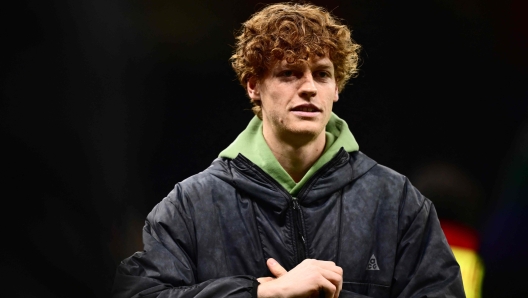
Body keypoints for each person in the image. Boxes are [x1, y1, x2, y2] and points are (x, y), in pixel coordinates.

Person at [112, 3, 464, 297]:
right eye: (289, 73)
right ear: (254, 86)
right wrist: (262, 293)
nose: (309, 87)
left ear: (336, 88)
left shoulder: (397, 201)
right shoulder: (191, 206)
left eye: (322, 74)